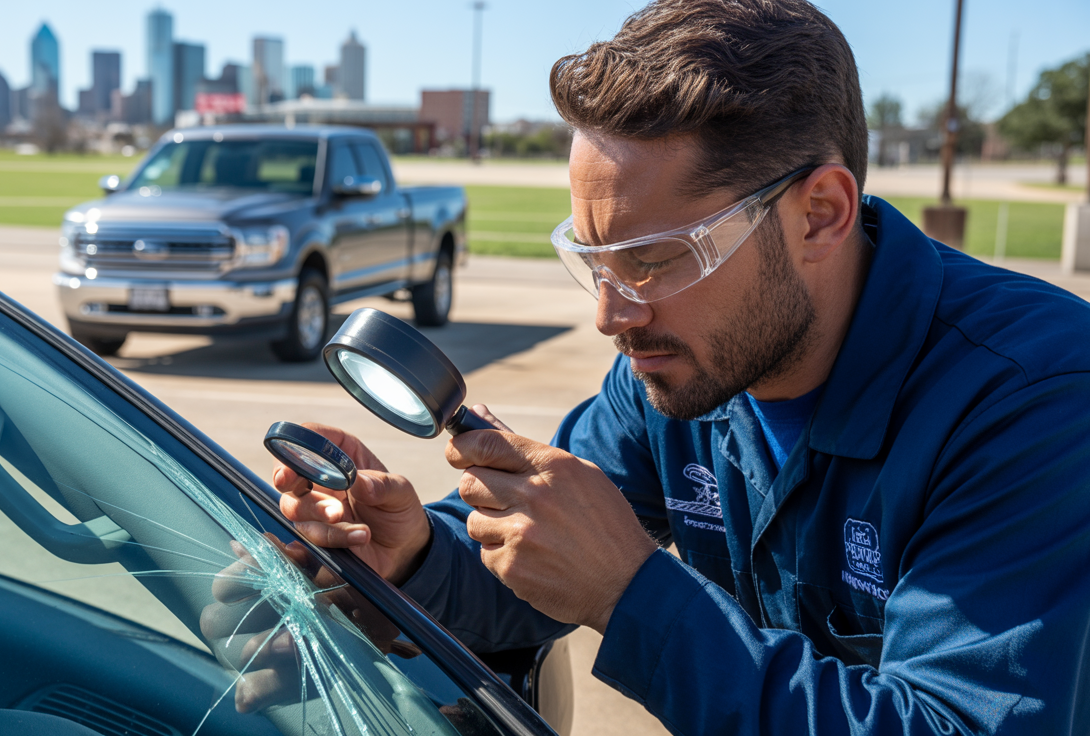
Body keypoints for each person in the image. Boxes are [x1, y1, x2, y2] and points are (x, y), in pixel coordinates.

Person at [272, 0, 1090, 732]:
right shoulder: (676, 371)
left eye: (657, 261)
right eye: (595, 263)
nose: (612, 315)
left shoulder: (1032, 400)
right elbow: (533, 568)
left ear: (821, 214)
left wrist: (632, 594)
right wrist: (414, 554)